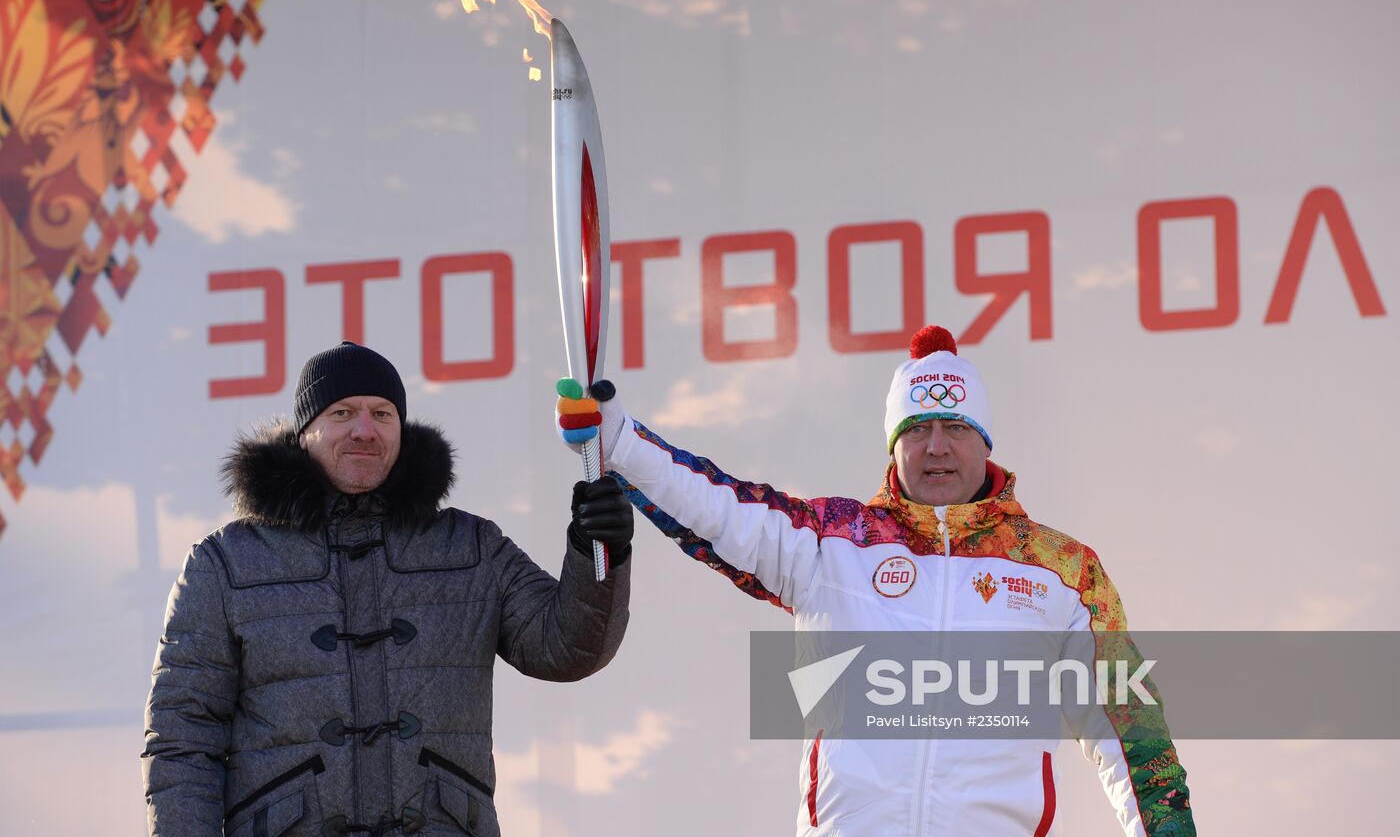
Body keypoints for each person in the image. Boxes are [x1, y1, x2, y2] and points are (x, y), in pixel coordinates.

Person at [557, 326, 1194, 836]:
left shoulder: (1062, 573)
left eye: (956, 428)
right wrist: (619, 440)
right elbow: (719, 506)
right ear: (893, 446)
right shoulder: (833, 542)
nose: (936, 447)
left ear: (986, 442)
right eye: (916, 429)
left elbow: (1134, 738)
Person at [143, 341, 633, 837]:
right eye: (342, 412)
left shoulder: (471, 547)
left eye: (382, 413)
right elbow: (182, 739)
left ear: (401, 429)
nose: (364, 429)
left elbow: (568, 647)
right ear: (304, 432)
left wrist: (599, 548)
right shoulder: (224, 563)